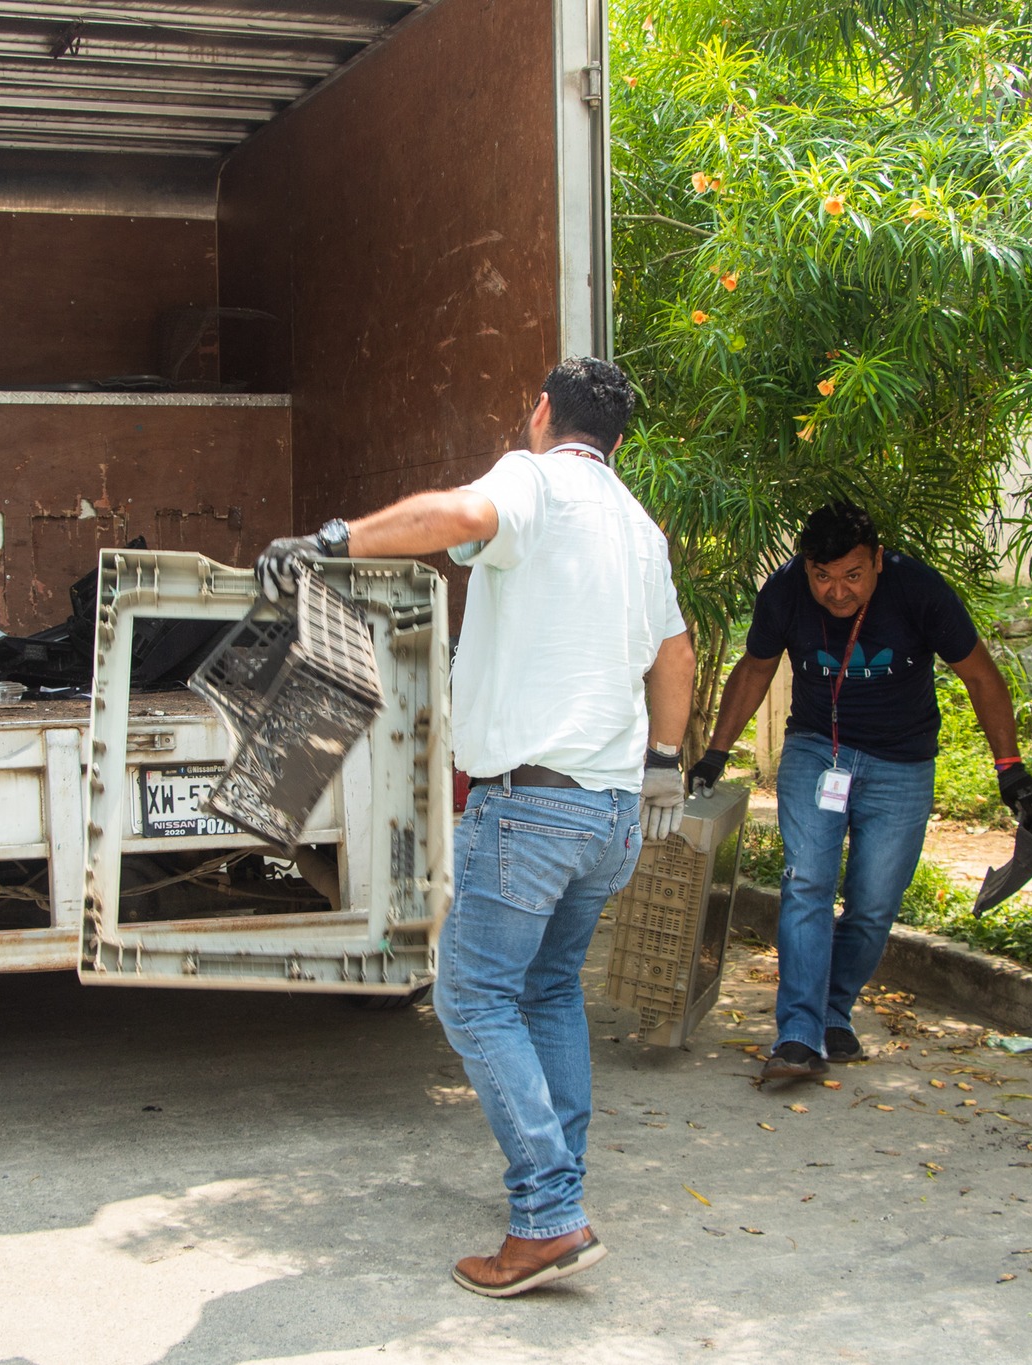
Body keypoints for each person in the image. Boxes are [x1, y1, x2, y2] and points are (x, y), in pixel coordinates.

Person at [256, 357, 695, 1297]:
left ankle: (546, 1213)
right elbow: (675, 651)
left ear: (542, 414)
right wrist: (663, 763)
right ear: (619, 439)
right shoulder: (639, 526)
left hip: (530, 804)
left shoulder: (533, 479)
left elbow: (456, 518)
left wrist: (333, 537)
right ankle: (563, 1187)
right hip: (610, 810)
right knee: (547, 991)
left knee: (473, 996)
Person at [688, 501, 1032, 1081]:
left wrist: (1010, 769)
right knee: (807, 882)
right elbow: (755, 668)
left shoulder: (918, 589)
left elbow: (981, 675)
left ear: (878, 561)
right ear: (806, 568)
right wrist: (715, 753)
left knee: (874, 901)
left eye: (852, 575)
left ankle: (834, 1010)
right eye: (823, 577)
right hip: (815, 750)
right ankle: (799, 1034)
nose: (836, 592)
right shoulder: (784, 591)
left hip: (901, 761)